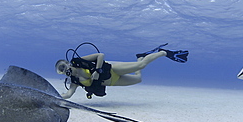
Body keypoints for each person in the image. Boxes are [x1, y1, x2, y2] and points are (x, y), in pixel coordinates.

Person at [56, 43, 188, 99]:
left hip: (113, 69)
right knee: (139, 79)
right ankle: (140, 56)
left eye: (63, 66)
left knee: (141, 66)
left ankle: (164, 52)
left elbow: (100, 55)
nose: (65, 69)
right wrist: (55, 96)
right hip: (113, 81)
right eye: (61, 70)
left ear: (67, 63)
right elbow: (68, 95)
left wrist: (97, 70)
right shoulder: (75, 81)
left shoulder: (79, 61)